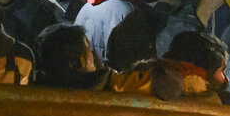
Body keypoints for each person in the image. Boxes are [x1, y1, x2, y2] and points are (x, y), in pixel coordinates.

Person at [35, 23, 182, 100]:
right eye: (89, 50)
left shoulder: (36, 92)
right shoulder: (111, 84)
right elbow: (169, 85)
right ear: (82, 60)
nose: (94, 55)